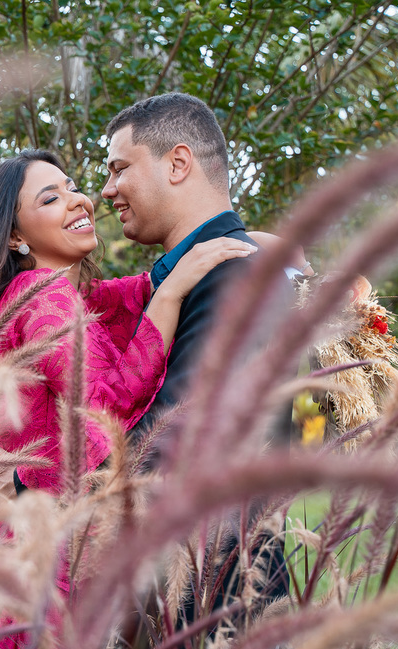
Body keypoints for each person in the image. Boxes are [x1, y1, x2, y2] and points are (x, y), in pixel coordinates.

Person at [0, 149, 256, 649]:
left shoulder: (60, 294)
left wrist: (255, 244)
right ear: (17, 237)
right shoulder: (41, 299)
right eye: (51, 198)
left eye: (70, 186)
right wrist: (177, 291)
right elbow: (105, 407)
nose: (78, 200)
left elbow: (139, 291)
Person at [102, 91, 302, 442]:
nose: (107, 190)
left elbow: (168, 443)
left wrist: (33, 484)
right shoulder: (198, 275)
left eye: (120, 169)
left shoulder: (231, 276)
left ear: (178, 164)